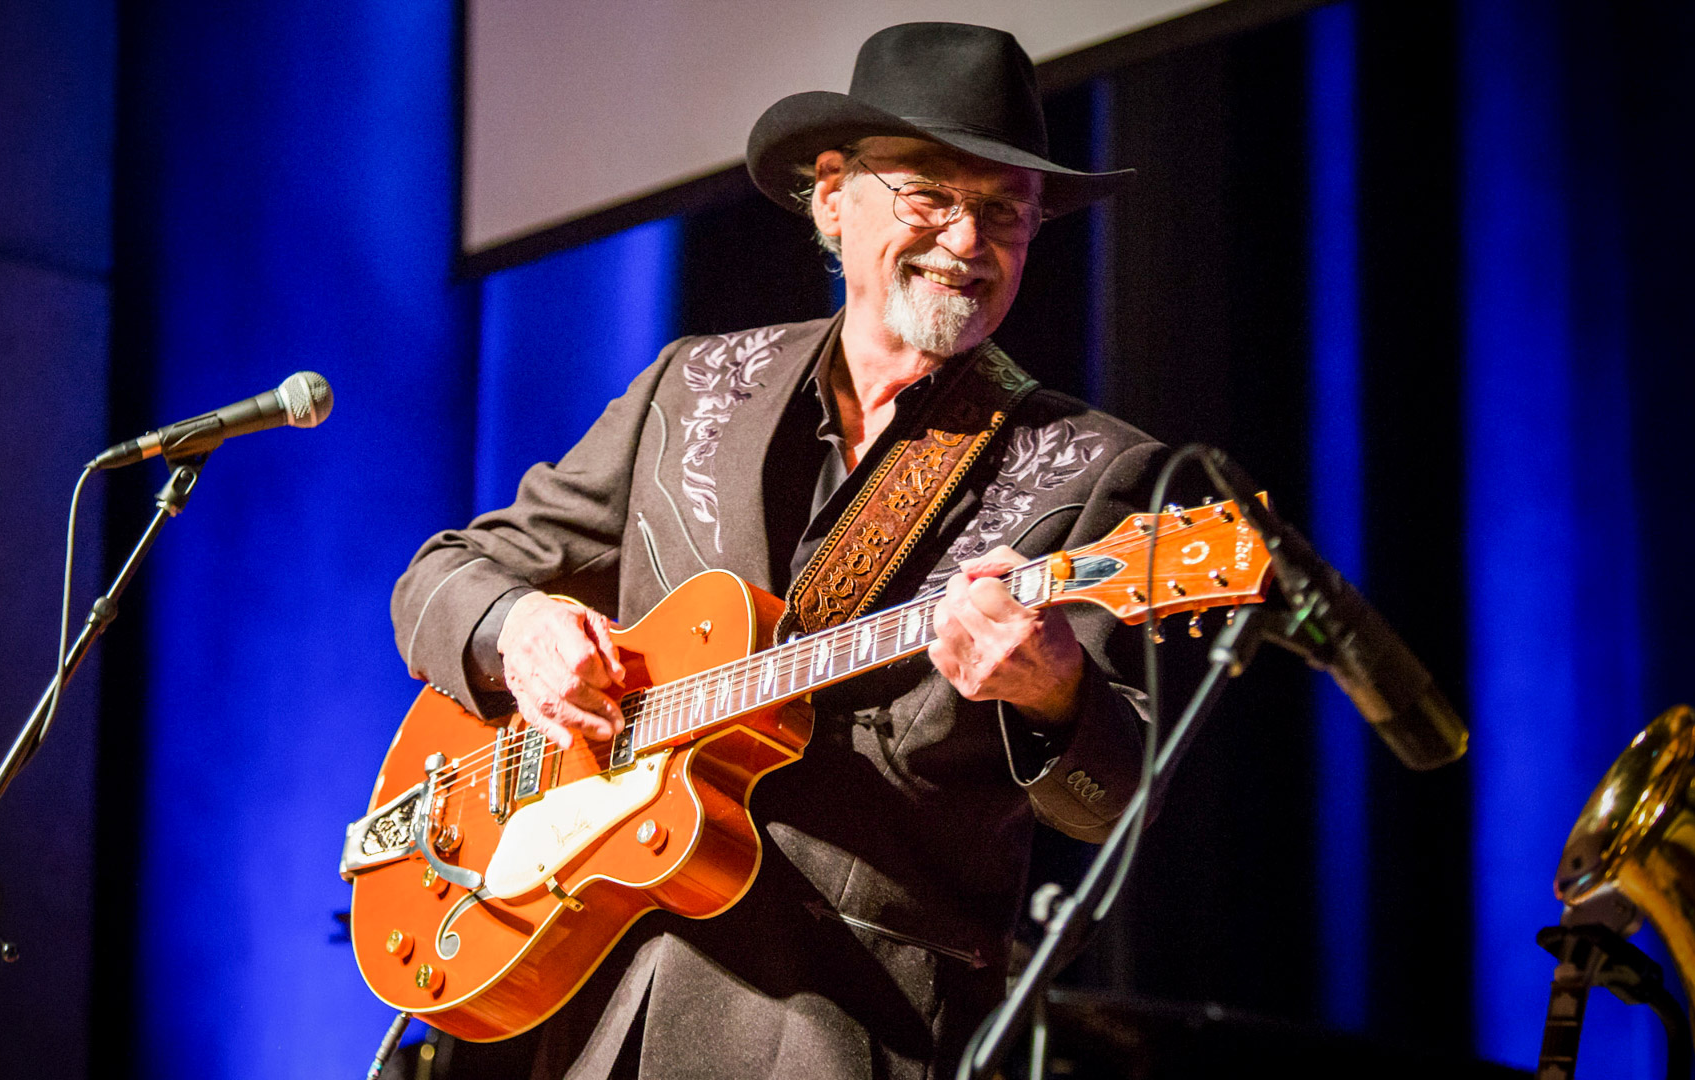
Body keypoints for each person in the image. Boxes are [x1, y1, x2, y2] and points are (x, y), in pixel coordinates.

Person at [389, 22, 1165, 1080]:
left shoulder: (1089, 468)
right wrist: (517, 628)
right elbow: (445, 576)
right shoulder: (692, 387)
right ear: (832, 197)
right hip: (582, 993)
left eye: (1004, 216)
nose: (968, 243)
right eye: (932, 198)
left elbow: (1120, 795)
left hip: (846, 1028)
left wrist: (1054, 694)